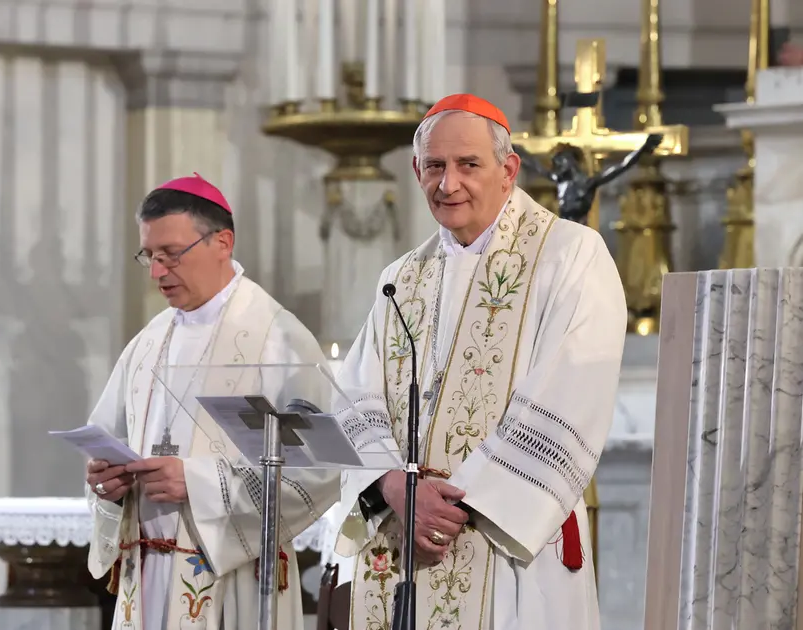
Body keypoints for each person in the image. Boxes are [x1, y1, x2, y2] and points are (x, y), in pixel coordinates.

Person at [331, 94, 627, 629]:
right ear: (416, 170)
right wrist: (394, 487)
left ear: (508, 169)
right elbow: (354, 396)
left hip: (504, 547)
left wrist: (449, 507)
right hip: (403, 534)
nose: (449, 184)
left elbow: (572, 393)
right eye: (435, 167)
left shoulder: (569, 255)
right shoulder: (402, 277)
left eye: (469, 165)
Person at [84, 174, 340, 630]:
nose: (158, 272)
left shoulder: (277, 338)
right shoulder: (149, 342)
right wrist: (108, 483)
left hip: (233, 585)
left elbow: (322, 470)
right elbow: (107, 440)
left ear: (222, 242)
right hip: (145, 582)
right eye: (149, 255)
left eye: (171, 255)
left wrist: (197, 484)